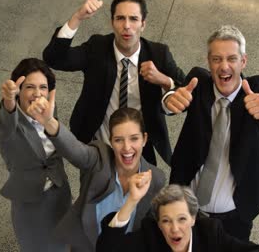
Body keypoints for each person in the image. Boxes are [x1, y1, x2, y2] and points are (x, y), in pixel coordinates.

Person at [163, 25, 259, 241]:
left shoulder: (256, 87)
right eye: (217, 59)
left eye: (232, 58)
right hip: (186, 209)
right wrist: (169, 100)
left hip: (236, 215)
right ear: (208, 62)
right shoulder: (198, 82)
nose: (224, 66)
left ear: (243, 61)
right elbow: (176, 97)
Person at [43, 0, 185, 165]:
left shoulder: (158, 54)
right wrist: (77, 17)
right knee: (95, 192)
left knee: (140, 192)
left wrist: (164, 80)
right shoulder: (97, 47)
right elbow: (54, 59)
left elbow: (184, 91)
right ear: (112, 22)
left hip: (139, 150)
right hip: (98, 147)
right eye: (120, 18)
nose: (127, 26)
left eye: (133, 19)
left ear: (143, 24)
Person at [26, 89, 166, 252]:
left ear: (144, 139)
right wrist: (49, 122)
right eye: (119, 140)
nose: (127, 148)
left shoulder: (156, 178)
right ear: (111, 141)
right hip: (85, 246)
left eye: (134, 138)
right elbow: (76, 151)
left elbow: (149, 224)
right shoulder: (98, 158)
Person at [0, 58, 70, 252]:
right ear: (19, 92)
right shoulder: (9, 122)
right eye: (29, 87)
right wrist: (8, 103)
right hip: (30, 204)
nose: (37, 93)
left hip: (59, 194)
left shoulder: (49, 110)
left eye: (43, 87)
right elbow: (2, 129)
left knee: (67, 244)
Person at [97, 184, 259, 252]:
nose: (175, 228)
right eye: (166, 221)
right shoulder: (149, 237)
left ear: (193, 219)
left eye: (182, 219)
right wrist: (132, 201)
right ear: (158, 224)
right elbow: (108, 249)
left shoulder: (210, 234)